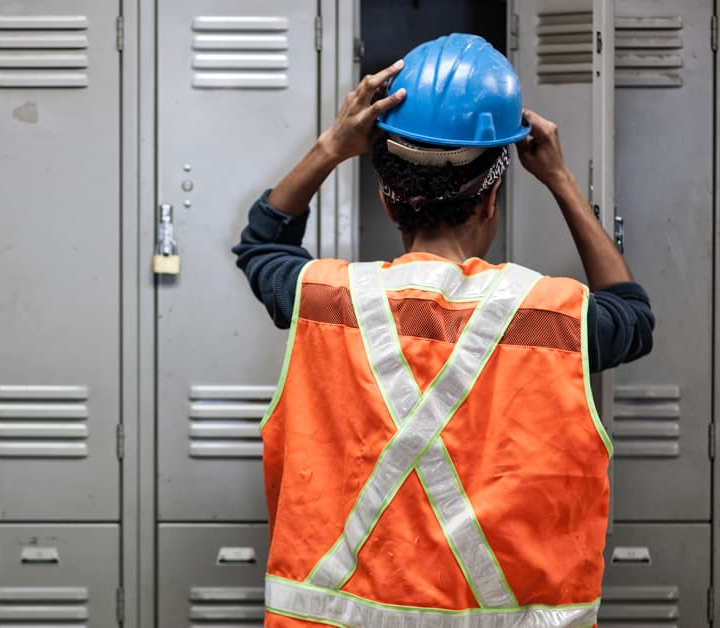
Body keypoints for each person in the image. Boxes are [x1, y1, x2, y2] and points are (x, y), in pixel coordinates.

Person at [233, 34, 655, 627]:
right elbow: (632, 312)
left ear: (386, 200)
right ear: (490, 203)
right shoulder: (552, 317)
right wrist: (560, 180)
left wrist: (333, 145)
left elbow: (262, 242)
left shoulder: (325, 300)